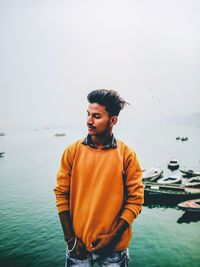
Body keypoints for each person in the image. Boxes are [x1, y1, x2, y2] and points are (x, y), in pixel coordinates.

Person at [54, 89, 144, 267]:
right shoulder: (72, 152)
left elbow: (136, 200)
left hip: (114, 250)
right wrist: (70, 239)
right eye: (88, 114)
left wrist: (113, 238)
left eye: (96, 116)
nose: (88, 121)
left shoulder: (127, 155)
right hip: (77, 247)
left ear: (113, 120)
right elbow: (61, 194)